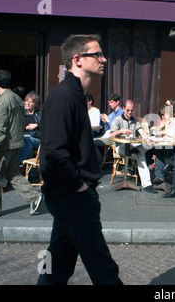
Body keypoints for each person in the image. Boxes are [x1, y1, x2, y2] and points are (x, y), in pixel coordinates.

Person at [37, 34, 123, 285]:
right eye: (97, 54)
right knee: (103, 268)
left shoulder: (75, 96)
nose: (103, 59)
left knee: (56, 265)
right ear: (77, 59)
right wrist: (81, 188)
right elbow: (53, 153)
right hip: (72, 197)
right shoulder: (63, 97)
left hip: (72, 195)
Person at [0, 70, 42, 218]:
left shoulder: (1, 101)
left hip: (4, 145)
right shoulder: (17, 99)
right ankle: (34, 196)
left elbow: (0, 127)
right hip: (17, 142)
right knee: (13, 173)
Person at [110, 99, 158, 193]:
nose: (130, 112)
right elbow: (111, 135)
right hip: (121, 146)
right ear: (123, 108)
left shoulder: (135, 120)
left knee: (144, 149)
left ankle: (147, 184)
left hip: (132, 146)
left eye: (132, 110)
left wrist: (147, 139)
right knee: (140, 154)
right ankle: (135, 154)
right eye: (128, 110)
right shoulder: (117, 120)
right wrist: (121, 131)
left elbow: (142, 132)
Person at [150, 104, 175, 186]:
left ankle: (163, 173)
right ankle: (160, 176)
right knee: (158, 149)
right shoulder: (167, 123)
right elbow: (166, 136)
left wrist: (165, 133)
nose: (163, 117)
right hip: (168, 145)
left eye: (164, 114)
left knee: (163, 150)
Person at [18, 92, 42, 164]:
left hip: (37, 140)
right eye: (26, 101)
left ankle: (18, 161)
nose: (27, 103)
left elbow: (47, 125)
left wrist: (37, 125)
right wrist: (25, 127)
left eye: (30, 102)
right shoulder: (22, 114)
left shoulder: (39, 114)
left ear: (35, 104)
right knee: (28, 143)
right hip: (24, 138)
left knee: (29, 141)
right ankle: (29, 173)